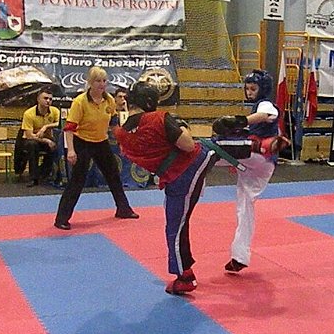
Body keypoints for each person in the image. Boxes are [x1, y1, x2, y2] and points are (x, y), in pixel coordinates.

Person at [114, 81, 218, 294]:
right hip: (189, 165)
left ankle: (185, 276)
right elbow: (188, 145)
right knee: (176, 226)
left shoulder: (121, 134)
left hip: (175, 175)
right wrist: (182, 126)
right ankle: (184, 275)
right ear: (150, 101)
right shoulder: (158, 118)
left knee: (175, 225)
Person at [213, 69, 287, 273]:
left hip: (260, 157)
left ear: (262, 89)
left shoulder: (266, 104)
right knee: (244, 208)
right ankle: (240, 257)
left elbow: (265, 115)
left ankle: (195, 156)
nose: (249, 92)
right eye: (247, 89)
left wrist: (240, 121)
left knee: (213, 148)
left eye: (253, 88)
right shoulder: (257, 109)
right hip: (260, 165)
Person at [54, 66, 138, 230]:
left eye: (104, 81)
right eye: (98, 81)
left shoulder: (109, 100)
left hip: (101, 142)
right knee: (77, 181)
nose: (101, 84)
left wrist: (122, 142)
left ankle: (123, 209)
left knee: (113, 175)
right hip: (82, 142)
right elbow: (69, 128)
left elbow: (113, 123)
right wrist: (71, 150)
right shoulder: (80, 102)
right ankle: (61, 218)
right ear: (90, 83)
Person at [19, 87, 60, 187]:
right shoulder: (29, 114)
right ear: (38, 99)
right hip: (31, 139)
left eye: (50, 99)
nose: (48, 101)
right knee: (32, 145)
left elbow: (59, 123)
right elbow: (29, 135)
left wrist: (46, 127)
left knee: (56, 146)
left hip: (46, 138)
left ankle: (45, 174)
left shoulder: (55, 111)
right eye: (45, 98)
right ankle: (33, 178)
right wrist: (46, 140)